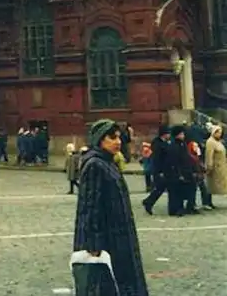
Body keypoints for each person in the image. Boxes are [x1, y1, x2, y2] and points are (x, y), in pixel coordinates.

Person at [73, 119, 149, 296]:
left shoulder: (108, 162)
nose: (118, 142)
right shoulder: (95, 164)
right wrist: (92, 243)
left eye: (119, 137)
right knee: (108, 284)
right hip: (107, 238)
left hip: (119, 234)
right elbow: (89, 206)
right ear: (100, 139)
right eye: (112, 137)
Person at [166, 124, 197, 217]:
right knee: (177, 192)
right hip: (178, 172)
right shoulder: (174, 146)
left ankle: (189, 207)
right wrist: (179, 174)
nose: (183, 135)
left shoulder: (182, 144)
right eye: (182, 134)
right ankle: (176, 209)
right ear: (178, 135)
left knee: (190, 189)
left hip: (186, 171)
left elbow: (186, 158)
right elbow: (175, 161)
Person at [142, 125, 171, 216]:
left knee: (160, 188)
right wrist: (160, 171)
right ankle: (148, 202)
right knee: (159, 188)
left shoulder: (163, 142)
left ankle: (148, 202)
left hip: (164, 169)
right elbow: (157, 159)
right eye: (168, 133)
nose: (169, 135)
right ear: (164, 134)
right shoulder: (158, 144)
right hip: (159, 170)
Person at [205, 124, 227, 208]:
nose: (220, 134)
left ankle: (209, 202)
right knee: (210, 185)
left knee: (218, 185)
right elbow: (209, 155)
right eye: (218, 133)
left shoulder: (218, 141)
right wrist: (209, 166)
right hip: (215, 167)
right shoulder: (210, 142)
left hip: (221, 166)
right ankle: (207, 202)